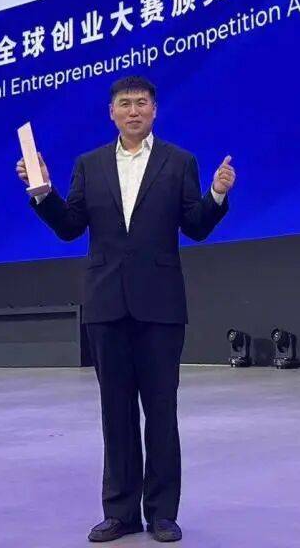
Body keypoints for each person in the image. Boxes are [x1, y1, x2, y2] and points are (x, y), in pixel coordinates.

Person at [16, 75, 235, 543]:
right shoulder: (89, 164)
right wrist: (43, 193)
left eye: (141, 103)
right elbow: (70, 227)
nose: (133, 110)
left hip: (160, 307)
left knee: (161, 412)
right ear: (111, 112)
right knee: (115, 414)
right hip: (106, 304)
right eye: (124, 103)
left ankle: (162, 514)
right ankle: (120, 513)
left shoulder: (179, 162)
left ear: (154, 110)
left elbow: (195, 227)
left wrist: (217, 195)